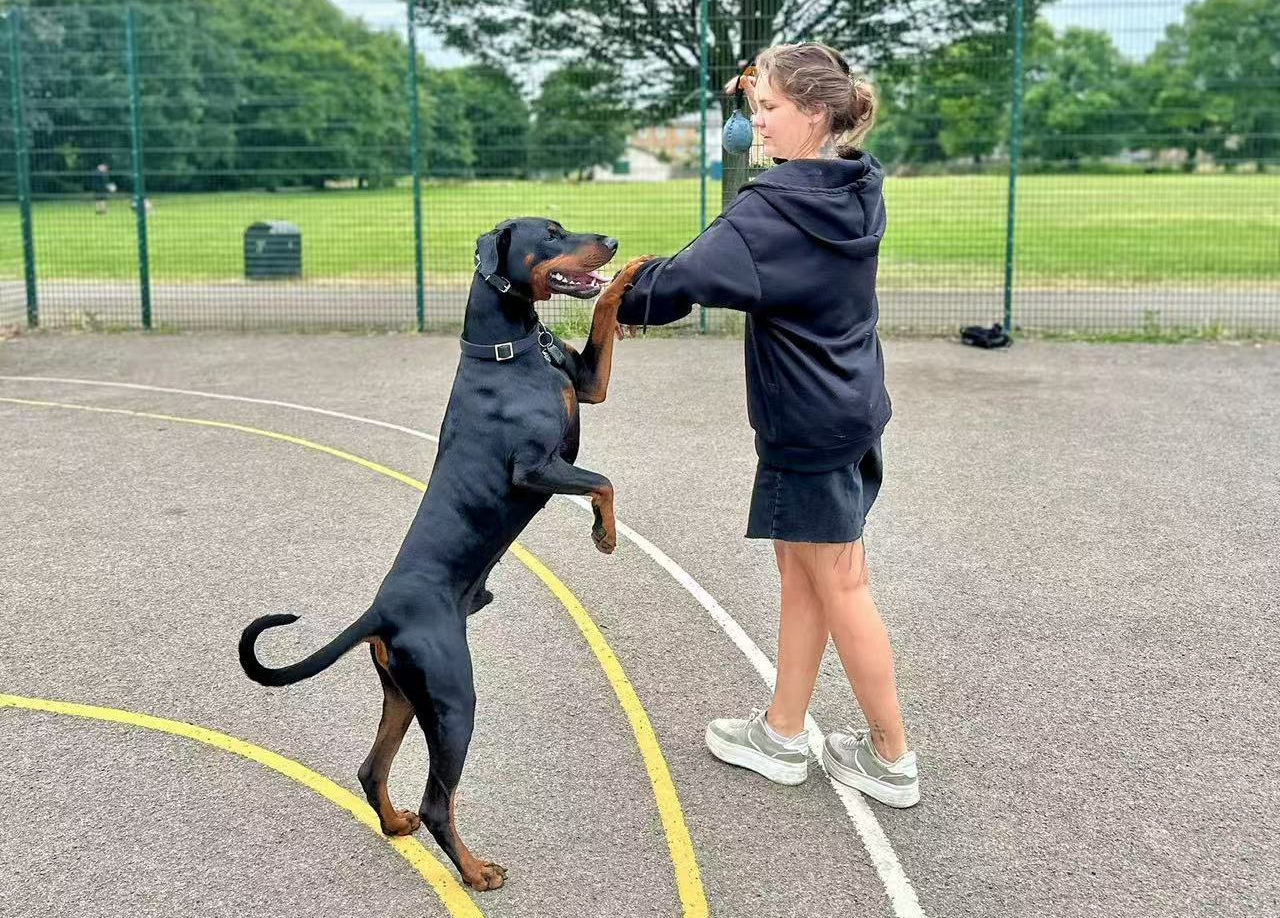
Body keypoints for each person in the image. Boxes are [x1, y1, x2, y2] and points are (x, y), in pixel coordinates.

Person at [614, 42, 918, 807]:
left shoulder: (774, 211)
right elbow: (734, 247)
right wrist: (765, 77)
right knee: (804, 571)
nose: (755, 124)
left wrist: (621, 296)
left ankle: (890, 758)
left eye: (769, 111)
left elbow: (685, 278)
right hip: (847, 410)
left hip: (809, 426)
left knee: (842, 582)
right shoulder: (853, 185)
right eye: (752, 109)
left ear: (815, 114)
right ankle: (783, 734)